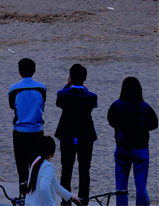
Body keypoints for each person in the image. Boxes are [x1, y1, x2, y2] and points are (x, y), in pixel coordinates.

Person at [107, 77, 157, 206]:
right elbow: (154, 124)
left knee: (121, 183)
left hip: (122, 146)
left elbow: (111, 120)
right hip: (140, 147)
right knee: (140, 183)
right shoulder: (144, 107)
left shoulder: (116, 105)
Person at [54, 64, 97, 203]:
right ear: (85, 78)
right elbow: (88, 98)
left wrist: (68, 85)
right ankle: (83, 200)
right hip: (85, 135)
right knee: (85, 171)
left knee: (66, 170)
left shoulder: (63, 94)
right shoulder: (91, 96)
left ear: (70, 77)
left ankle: (65, 201)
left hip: (67, 135)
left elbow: (60, 102)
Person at [9, 58, 47, 193]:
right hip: (36, 130)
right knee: (35, 165)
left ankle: (23, 194)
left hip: (20, 130)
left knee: (21, 166)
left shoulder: (14, 89)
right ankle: (34, 194)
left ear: (19, 72)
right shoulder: (41, 87)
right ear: (34, 70)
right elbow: (43, 105)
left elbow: (12, 106)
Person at [25, 136, 81, 206]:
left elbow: (56, 186)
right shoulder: (48, 167)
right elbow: (44, 188)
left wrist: (72, 198)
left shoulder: (36, 162)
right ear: (53, 153)